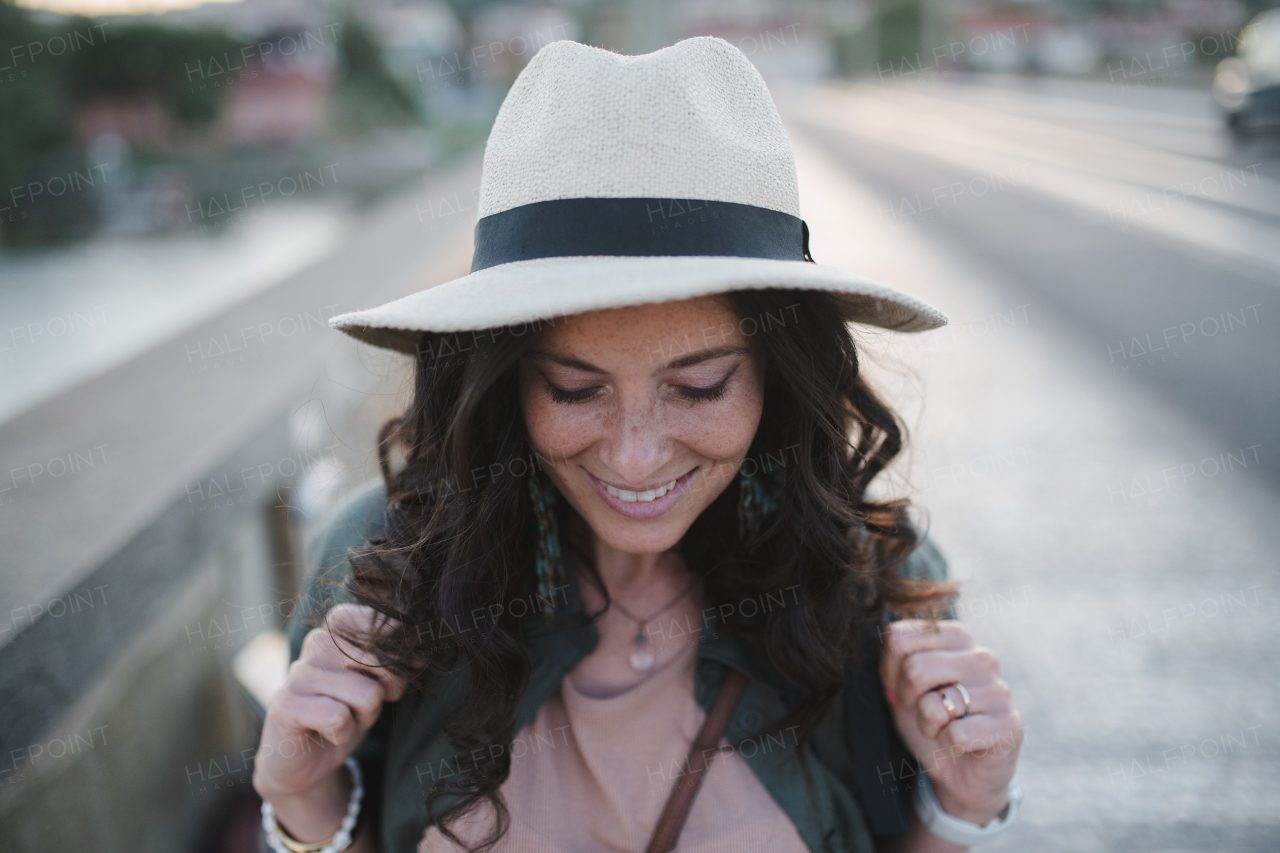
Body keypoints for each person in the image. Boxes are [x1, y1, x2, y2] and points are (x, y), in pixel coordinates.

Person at [252, 37, 1024, 853]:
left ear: (778, 372)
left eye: (698, 388)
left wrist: (960, 807)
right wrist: (305, 797)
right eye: (573, 389)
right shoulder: (391, 564)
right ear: (504, 378)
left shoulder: (871, 584)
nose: (633, 456)